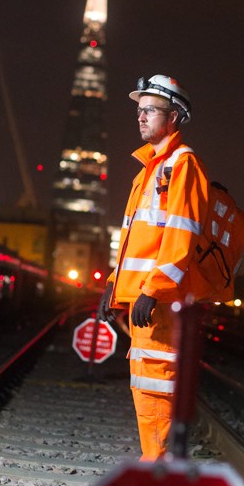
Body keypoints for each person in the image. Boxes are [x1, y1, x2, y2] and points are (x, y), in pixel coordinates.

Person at [97, 74, 210, 461]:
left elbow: (182, 236)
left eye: (149, 110)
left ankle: (158, 478)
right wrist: (113, 286)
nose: (140, 117)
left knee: (158, 390)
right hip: (146, 302)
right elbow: (135, 241)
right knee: (146, 390)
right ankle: (154, 471)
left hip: (159, 304)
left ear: (174, 117)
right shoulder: (147, 172)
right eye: (139, 110)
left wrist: (153, 288)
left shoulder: (182, 165)